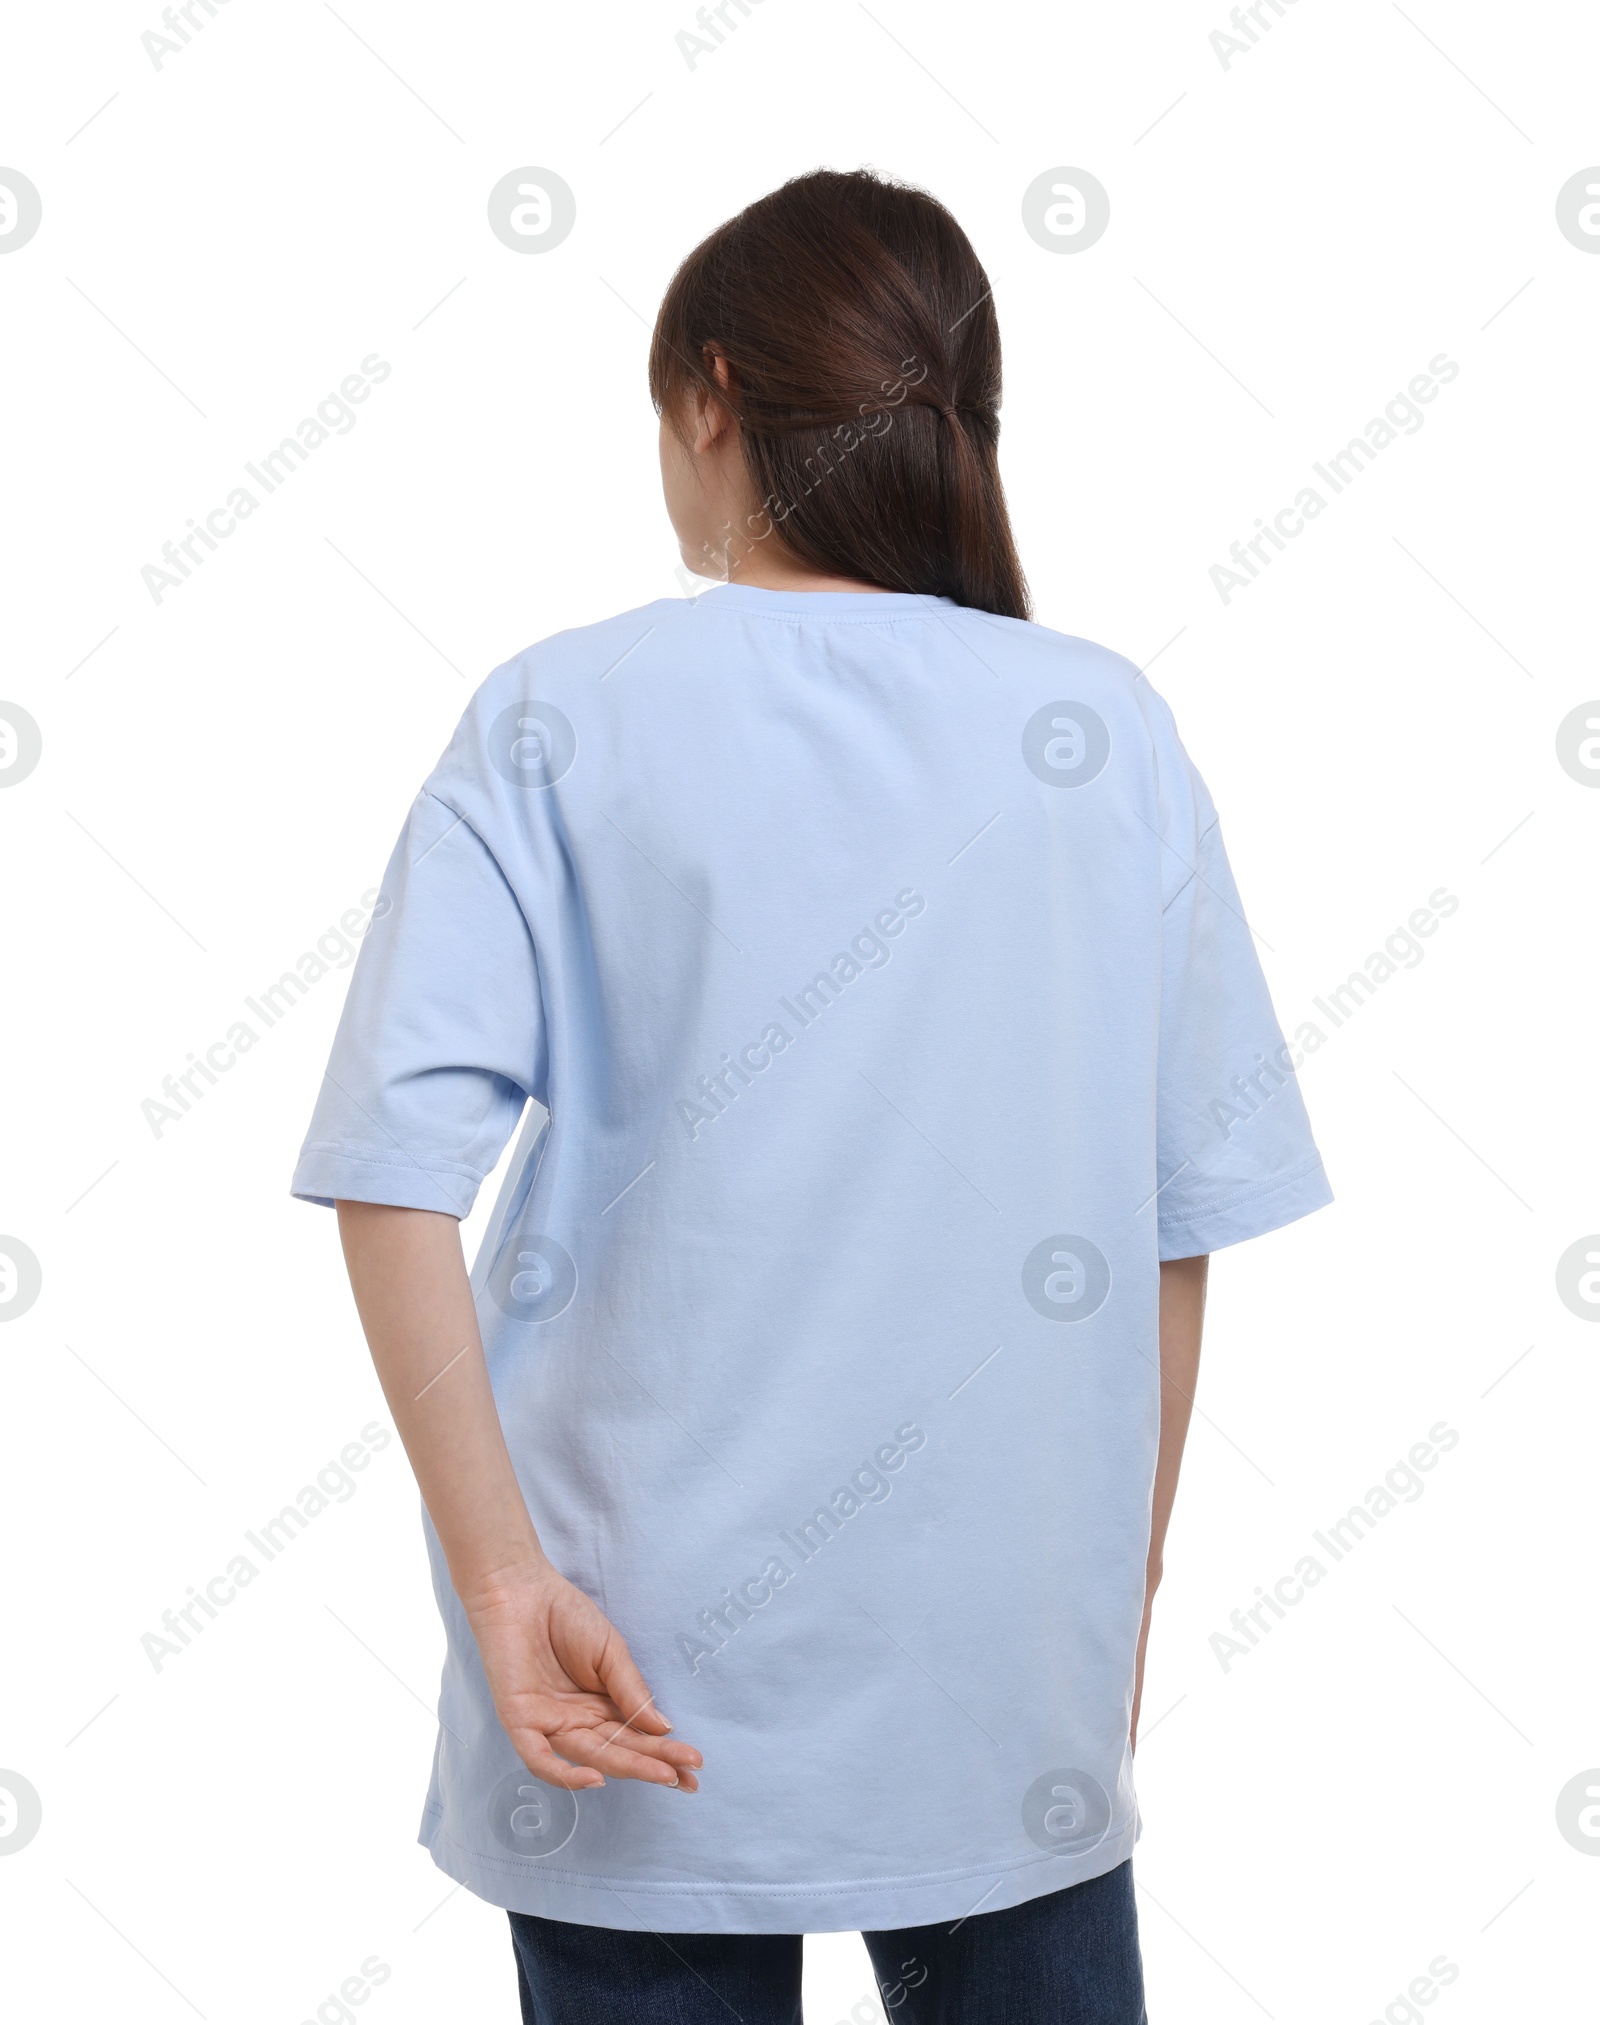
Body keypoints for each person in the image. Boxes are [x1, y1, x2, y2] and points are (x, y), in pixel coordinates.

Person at [292, 167, 1331, 2025]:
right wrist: (1124, 1604)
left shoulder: (559, 712)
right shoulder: (1106, 730)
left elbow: (393, 1180)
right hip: (1007, 1692)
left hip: (628, 1686)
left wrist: (505, 1576)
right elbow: (1178, 1229)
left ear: (711, 395)